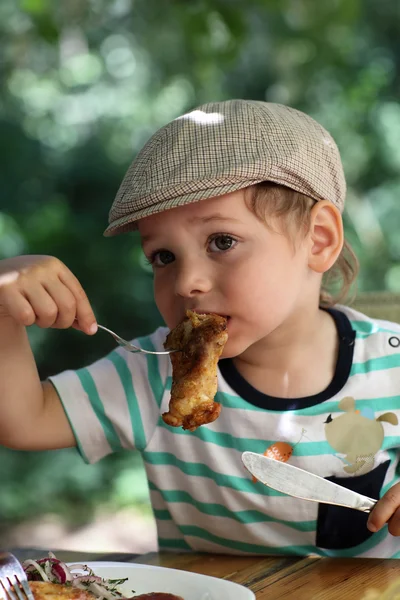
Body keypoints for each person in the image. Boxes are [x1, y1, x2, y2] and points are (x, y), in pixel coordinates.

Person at [1, 99, 400, 558]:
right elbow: (21, 422)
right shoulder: (153, 376)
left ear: (319, 239)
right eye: (163, 257)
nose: (187, 283)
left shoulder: (391, 364)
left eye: (222, 242)